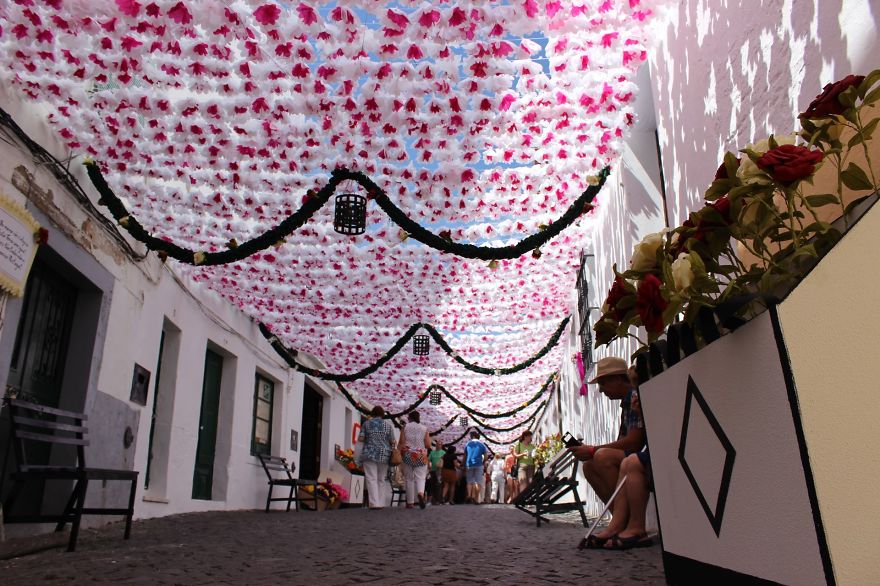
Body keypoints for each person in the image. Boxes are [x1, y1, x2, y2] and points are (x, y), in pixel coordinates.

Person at [568, 357, 647, 540]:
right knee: (590, 465)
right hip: (634, 456)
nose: (601, 389)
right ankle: (620, 520)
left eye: (603, 383)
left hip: (639, 457)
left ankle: (622, 523)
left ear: (618, 379)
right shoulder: (627, 401)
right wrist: (591, 451)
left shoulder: (634, 397)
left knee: (601, 457)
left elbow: (634, 442)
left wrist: (593, 450)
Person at [357, 405, 396, 510]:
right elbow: (393, 441)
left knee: (371, 478)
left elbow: (361, 439)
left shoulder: (366, 423)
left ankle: (374, 503)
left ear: (372, 413)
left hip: (369, 454)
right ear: (382, 414)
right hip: (384, 454)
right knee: (381, 479)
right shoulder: (388, 426)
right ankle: (381, 502)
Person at [397, 410, 431, 509]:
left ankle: (410, 502)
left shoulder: (405, 427)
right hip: (420, 455)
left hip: (408, 454)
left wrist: (399, 451)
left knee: (409, 478)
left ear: (409, 418)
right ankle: (420, 493)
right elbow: (428, 444)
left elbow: (402, 442)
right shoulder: (424, 428)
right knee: (420, 477)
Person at [464, 431, 488, 504]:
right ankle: (476, 498)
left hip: (469, 464)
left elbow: (465, 455)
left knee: (469, 481)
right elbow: (486, 456)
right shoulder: (482, 444)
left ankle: (469, 495)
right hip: (478, 464)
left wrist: (463, 463)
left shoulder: (468, 444)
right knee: (478, 482)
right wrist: (483, 462)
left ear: (473, 436)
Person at [428, 440, 446, 504]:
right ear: (435, 445)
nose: (438, 445)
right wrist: (429, 466)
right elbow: (428, 460)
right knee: (431, 485)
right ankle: (431, 501)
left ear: (441, 446)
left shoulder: (443, 453)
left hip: (440, 472)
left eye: (440, 444)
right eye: (437, 444)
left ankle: (438, 500)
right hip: (432, 471)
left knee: (438, 486)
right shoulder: (432, 452)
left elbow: (445, 462)